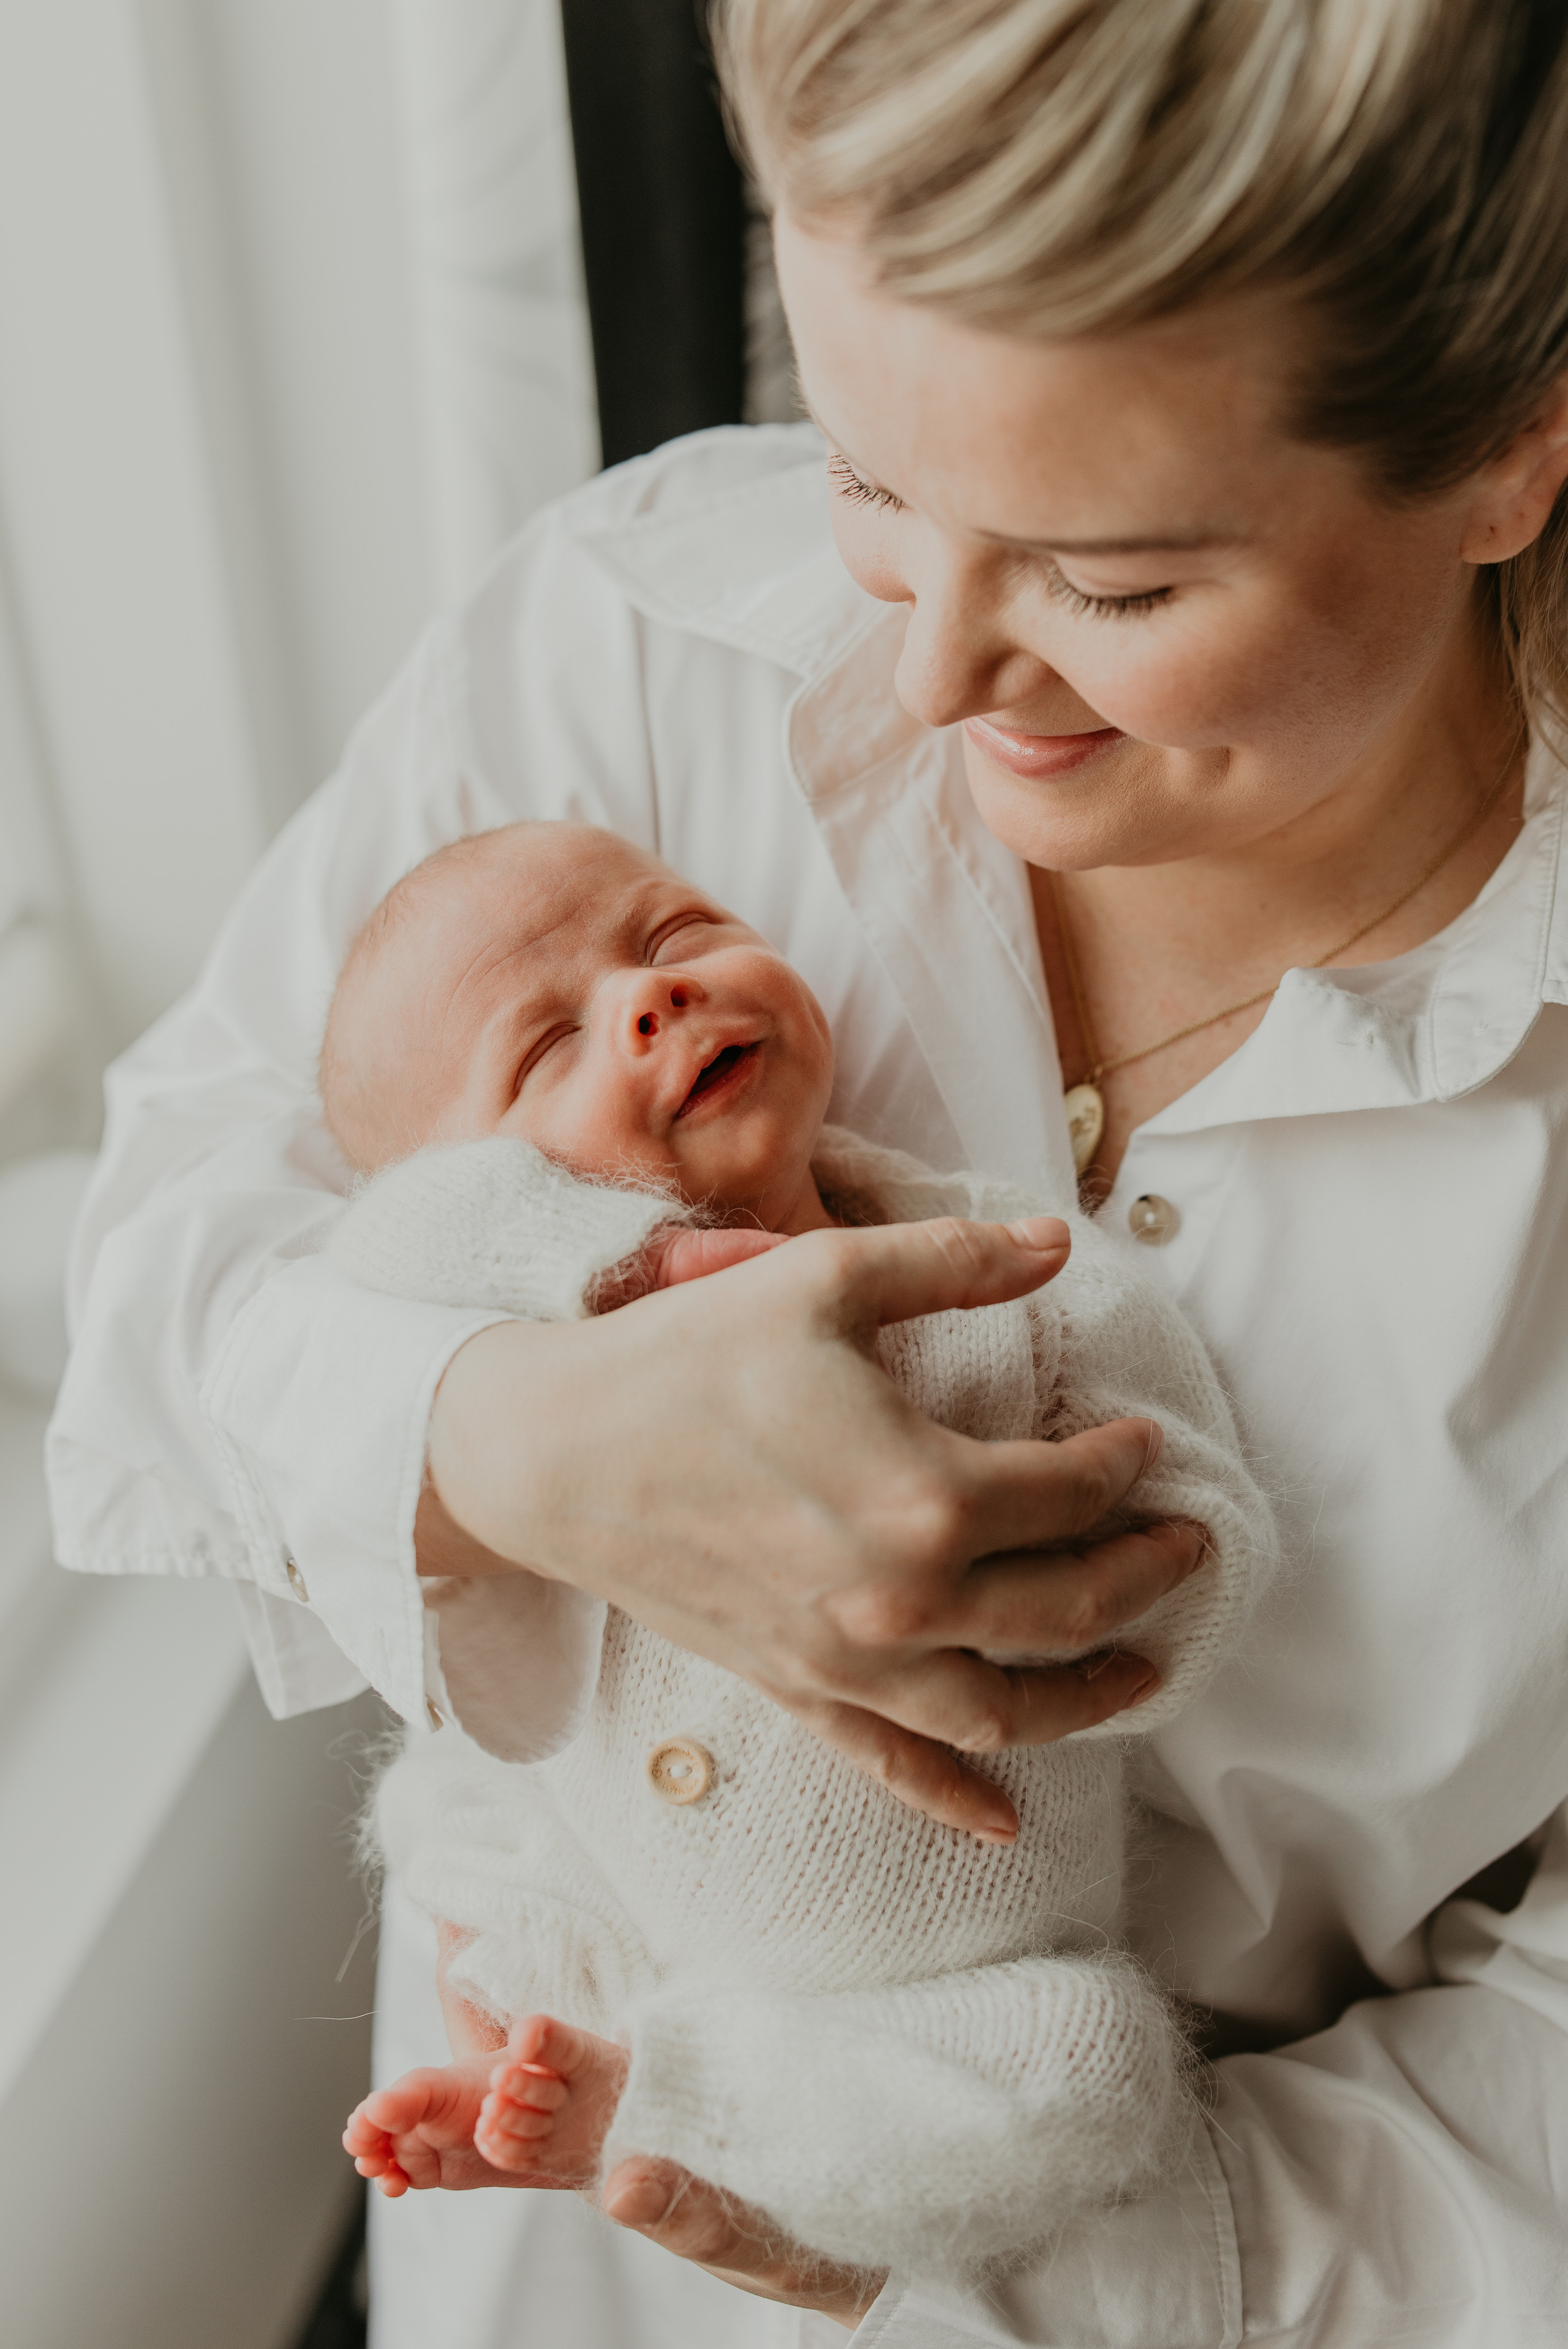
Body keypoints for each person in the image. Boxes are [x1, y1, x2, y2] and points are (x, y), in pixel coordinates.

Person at [45, 0, 1568, 2340]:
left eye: (1115, 582)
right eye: (870, 479)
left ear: (1514, 446)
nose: (940, 674)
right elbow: (159, 1268)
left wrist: (1053, 2232)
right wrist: (488, 1436)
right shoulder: (627, 643)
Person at [320, 819, 1272, 2274]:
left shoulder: (1021, 1280)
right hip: (605, 1883)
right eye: (542, 1051)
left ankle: (661, 2093)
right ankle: (549, 2050)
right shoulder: (533, 1346)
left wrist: (1114, 1572)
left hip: (918, 1992)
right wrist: (595, 1257)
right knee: (441, 1793)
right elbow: (377, 1249)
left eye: (674, 933)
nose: (652, 1000)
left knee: (1094, 2069)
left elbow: (1207, 1532)